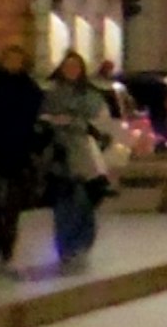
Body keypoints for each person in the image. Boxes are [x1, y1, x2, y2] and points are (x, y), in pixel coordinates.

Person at [0, 44, 47, 271]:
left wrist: (33, 143)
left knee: (14, 201)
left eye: (17, 59)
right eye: (9, 59)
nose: (13, 63)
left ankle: (8, 241)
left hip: (20, 151)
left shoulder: (31, 90)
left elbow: (38, 120)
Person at [42, 53, 116, 268]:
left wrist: (78, 124)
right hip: (59, 156)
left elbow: (102, 126)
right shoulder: (52, 94)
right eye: (68, 66)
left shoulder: (91, 96)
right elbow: (43, 118)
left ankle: (82, 242)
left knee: (84, 201)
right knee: (65, 202)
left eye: (75, 66)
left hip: (85, 156)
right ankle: (66, 245)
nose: (71, 70)